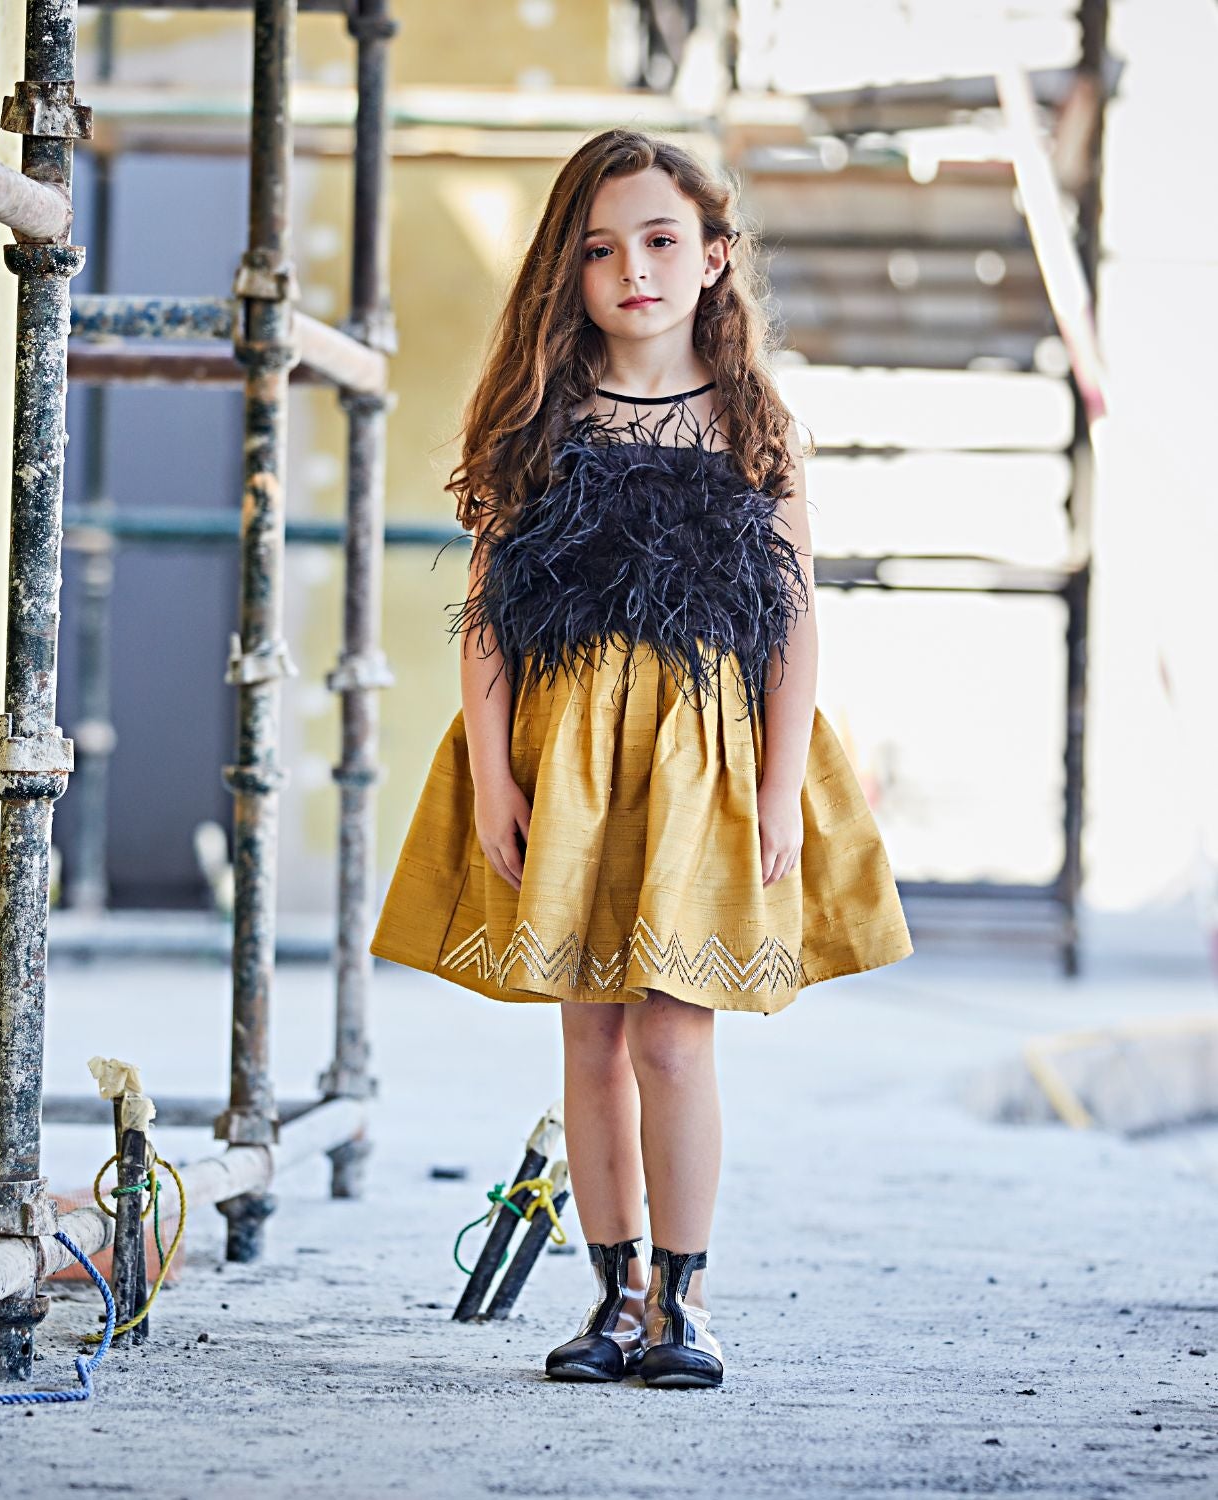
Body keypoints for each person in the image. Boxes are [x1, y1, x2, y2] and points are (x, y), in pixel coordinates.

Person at [368, 128, 914, 1389]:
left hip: (701, 769)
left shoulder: (753, 424)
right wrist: (498, 777)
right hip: (568, 758)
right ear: (571, 270)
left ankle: (686, 1297)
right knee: (592, 1032)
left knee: (678, 1031)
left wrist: (778, 789)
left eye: (664, 242)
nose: (635, 271)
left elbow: (795, 618)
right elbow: (493, 614)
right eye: (602, 248)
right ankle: (611, 1298)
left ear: (715, 257)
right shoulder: (538, 419)